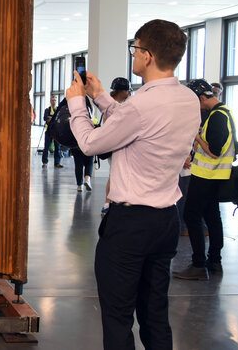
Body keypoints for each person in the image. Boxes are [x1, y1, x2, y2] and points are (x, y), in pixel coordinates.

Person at [67, 19, 200, 349]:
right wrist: (99, 96)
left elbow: (89, 143)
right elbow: (136, 125)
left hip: (130, 226)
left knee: (118, 317)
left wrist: (76, 103)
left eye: (135, 48)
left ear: (148, 55)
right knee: (155, 314)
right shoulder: (188, 100)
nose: (133, 55)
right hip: (166, 219)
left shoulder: (141, 105)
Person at [174, 79, 237, 281]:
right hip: (214, 175)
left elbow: (215, 151)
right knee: (212, 216)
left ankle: (199, 264)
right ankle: (214, 262)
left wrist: (197, 136)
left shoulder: (218, 116)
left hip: (207, 175)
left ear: (202, 98)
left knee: (192, 216)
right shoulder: (224, 112)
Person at [100, 78, 132, 214]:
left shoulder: (109, 105)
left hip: (113, 145)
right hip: (117, 146)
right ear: (123, 91)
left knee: (113, 174)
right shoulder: (116, 107)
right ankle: (109, 203)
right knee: (115, 175)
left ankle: (109, 203)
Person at [41, 96, 63, 168]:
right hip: (49, 131)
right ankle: (45, 162)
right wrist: (52, 119)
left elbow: (59, 119)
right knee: (46, 147)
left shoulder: (58, 110)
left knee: (58, 147)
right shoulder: (47, 110)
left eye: (55, 100)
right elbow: (46, 118)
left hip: (57, 131)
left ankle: (57, 162)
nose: (54, 102)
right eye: (52, 100)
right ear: (50, 101)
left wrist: (51, 118)